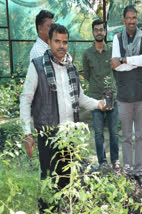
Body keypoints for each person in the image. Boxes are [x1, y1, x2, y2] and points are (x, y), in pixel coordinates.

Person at [20, 24, 106, 194]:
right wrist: (27, 134)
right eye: (57, 41)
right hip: (48, 137)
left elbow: (80, 98)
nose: (61, 46)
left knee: (67, 183)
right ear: (49, 42)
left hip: (69, 136)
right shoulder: (37, 66)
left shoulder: (71, 68)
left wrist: (99, 104)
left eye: (64, 42)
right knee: (49, 184)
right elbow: (25, 99)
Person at [111, 5, 142, 188]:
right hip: (125, 96)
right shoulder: (116, 38)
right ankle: (128, 172)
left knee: (140, 137)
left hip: (141, 96)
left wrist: (126, 60)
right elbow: (115, 66)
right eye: (128, 17)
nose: (132, 21)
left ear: (137, 19)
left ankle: (139, 171)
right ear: (123, 20)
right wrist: (136, 61)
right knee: (126, 136)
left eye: (134, 17)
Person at [83, 19, 120, 169]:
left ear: (105, 32)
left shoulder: (112, 51)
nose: (99, 32)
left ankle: (115, 160)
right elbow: (86, 75)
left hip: (111, 96)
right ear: (92, 32)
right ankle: (102, 162)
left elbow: (117, 71)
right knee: (98, 133)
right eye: (96, 30)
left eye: (101, 30)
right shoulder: (87, 54)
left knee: (114, 132)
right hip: (95, 97)